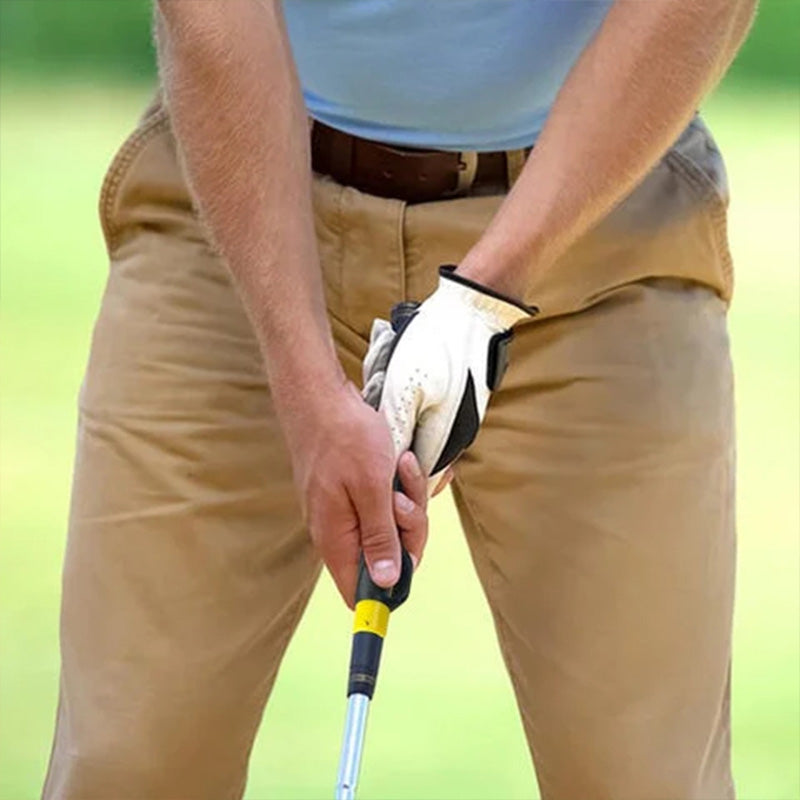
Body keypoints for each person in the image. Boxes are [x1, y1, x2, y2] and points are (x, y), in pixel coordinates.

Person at [42, 1, 756, 798]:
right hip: (241, 204)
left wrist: (483, 299)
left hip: (595, 213)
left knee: (645, 779)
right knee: (130, 766)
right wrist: (304, 388)